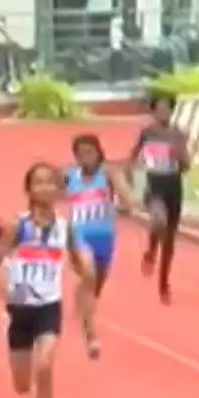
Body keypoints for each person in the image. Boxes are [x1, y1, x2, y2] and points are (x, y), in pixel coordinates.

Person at [0, 162, 94, 398]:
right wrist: (7, 292)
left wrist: (86, 269)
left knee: (45, 366)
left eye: (50, 182)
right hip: (20, 312)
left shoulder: (65, 229)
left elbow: (79, 261)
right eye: (38, 182)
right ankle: (28, 388)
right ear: (29, 190)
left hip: (48, 308)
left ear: (59, 190)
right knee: (21, 386)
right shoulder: (18, 228)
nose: (44, 187)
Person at [66, 133, 136, 358]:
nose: (85, 157)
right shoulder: (70, 177)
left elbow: (127, 198)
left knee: (96, 285)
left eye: (90, 152)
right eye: (81, 154)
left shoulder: (108, 174)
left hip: (104, 236)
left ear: (99, 153)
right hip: (78, 236)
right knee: (89, 275)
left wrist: (124, 203)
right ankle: (91, 336)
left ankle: (84, 302)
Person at [133, 93, 190, 304]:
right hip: (154, 185)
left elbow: (186, 166)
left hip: (173, 186)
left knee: (169, 241)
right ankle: (150, 251)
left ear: (172, 111)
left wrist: (180, 158)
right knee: (159, 221)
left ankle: (164, 283)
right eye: (159, 108)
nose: (163, 112)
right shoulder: (147, 133)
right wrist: (129, 175)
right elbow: (134, 156)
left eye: (167, 108)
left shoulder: (179, 134)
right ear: (153, 111)